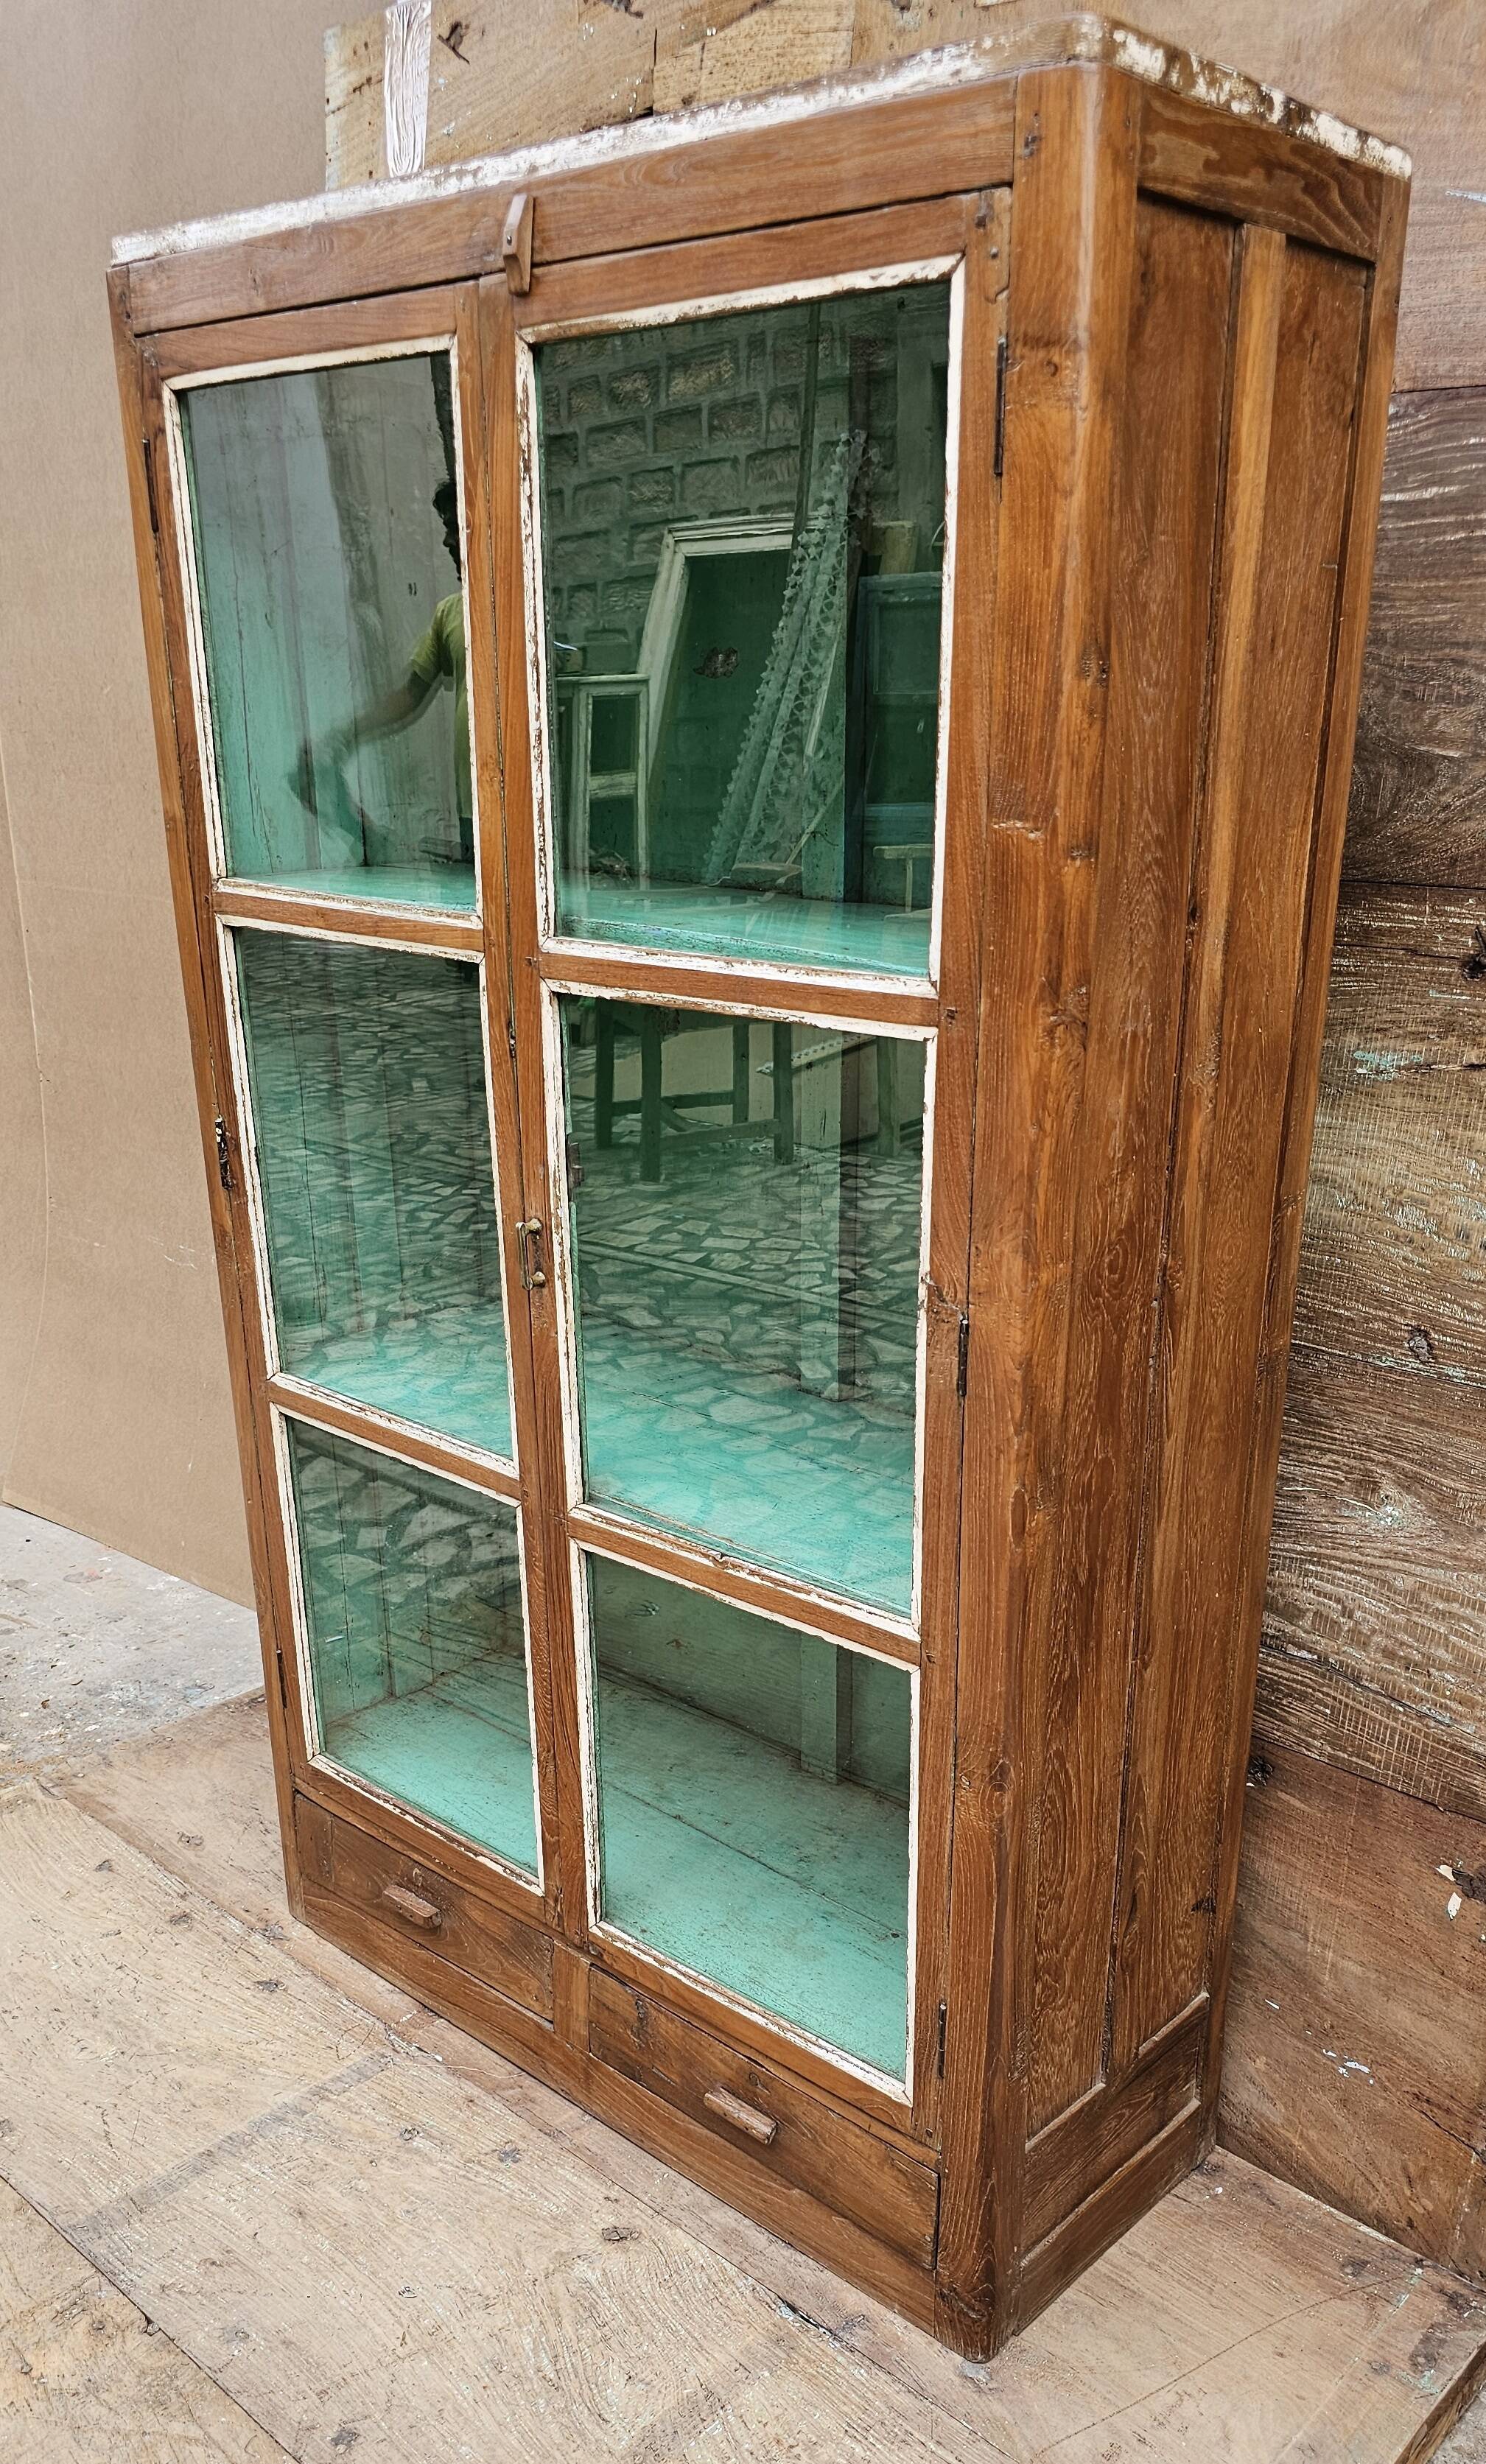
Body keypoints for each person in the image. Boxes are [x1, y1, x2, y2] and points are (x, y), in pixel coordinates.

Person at [290, 478, 473, 866]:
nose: (447, 542)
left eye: (455, 528)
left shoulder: (524, 607)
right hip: (475, 809)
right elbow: (409, 696)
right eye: (446, 530)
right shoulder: (451, 614)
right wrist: (342, 737)